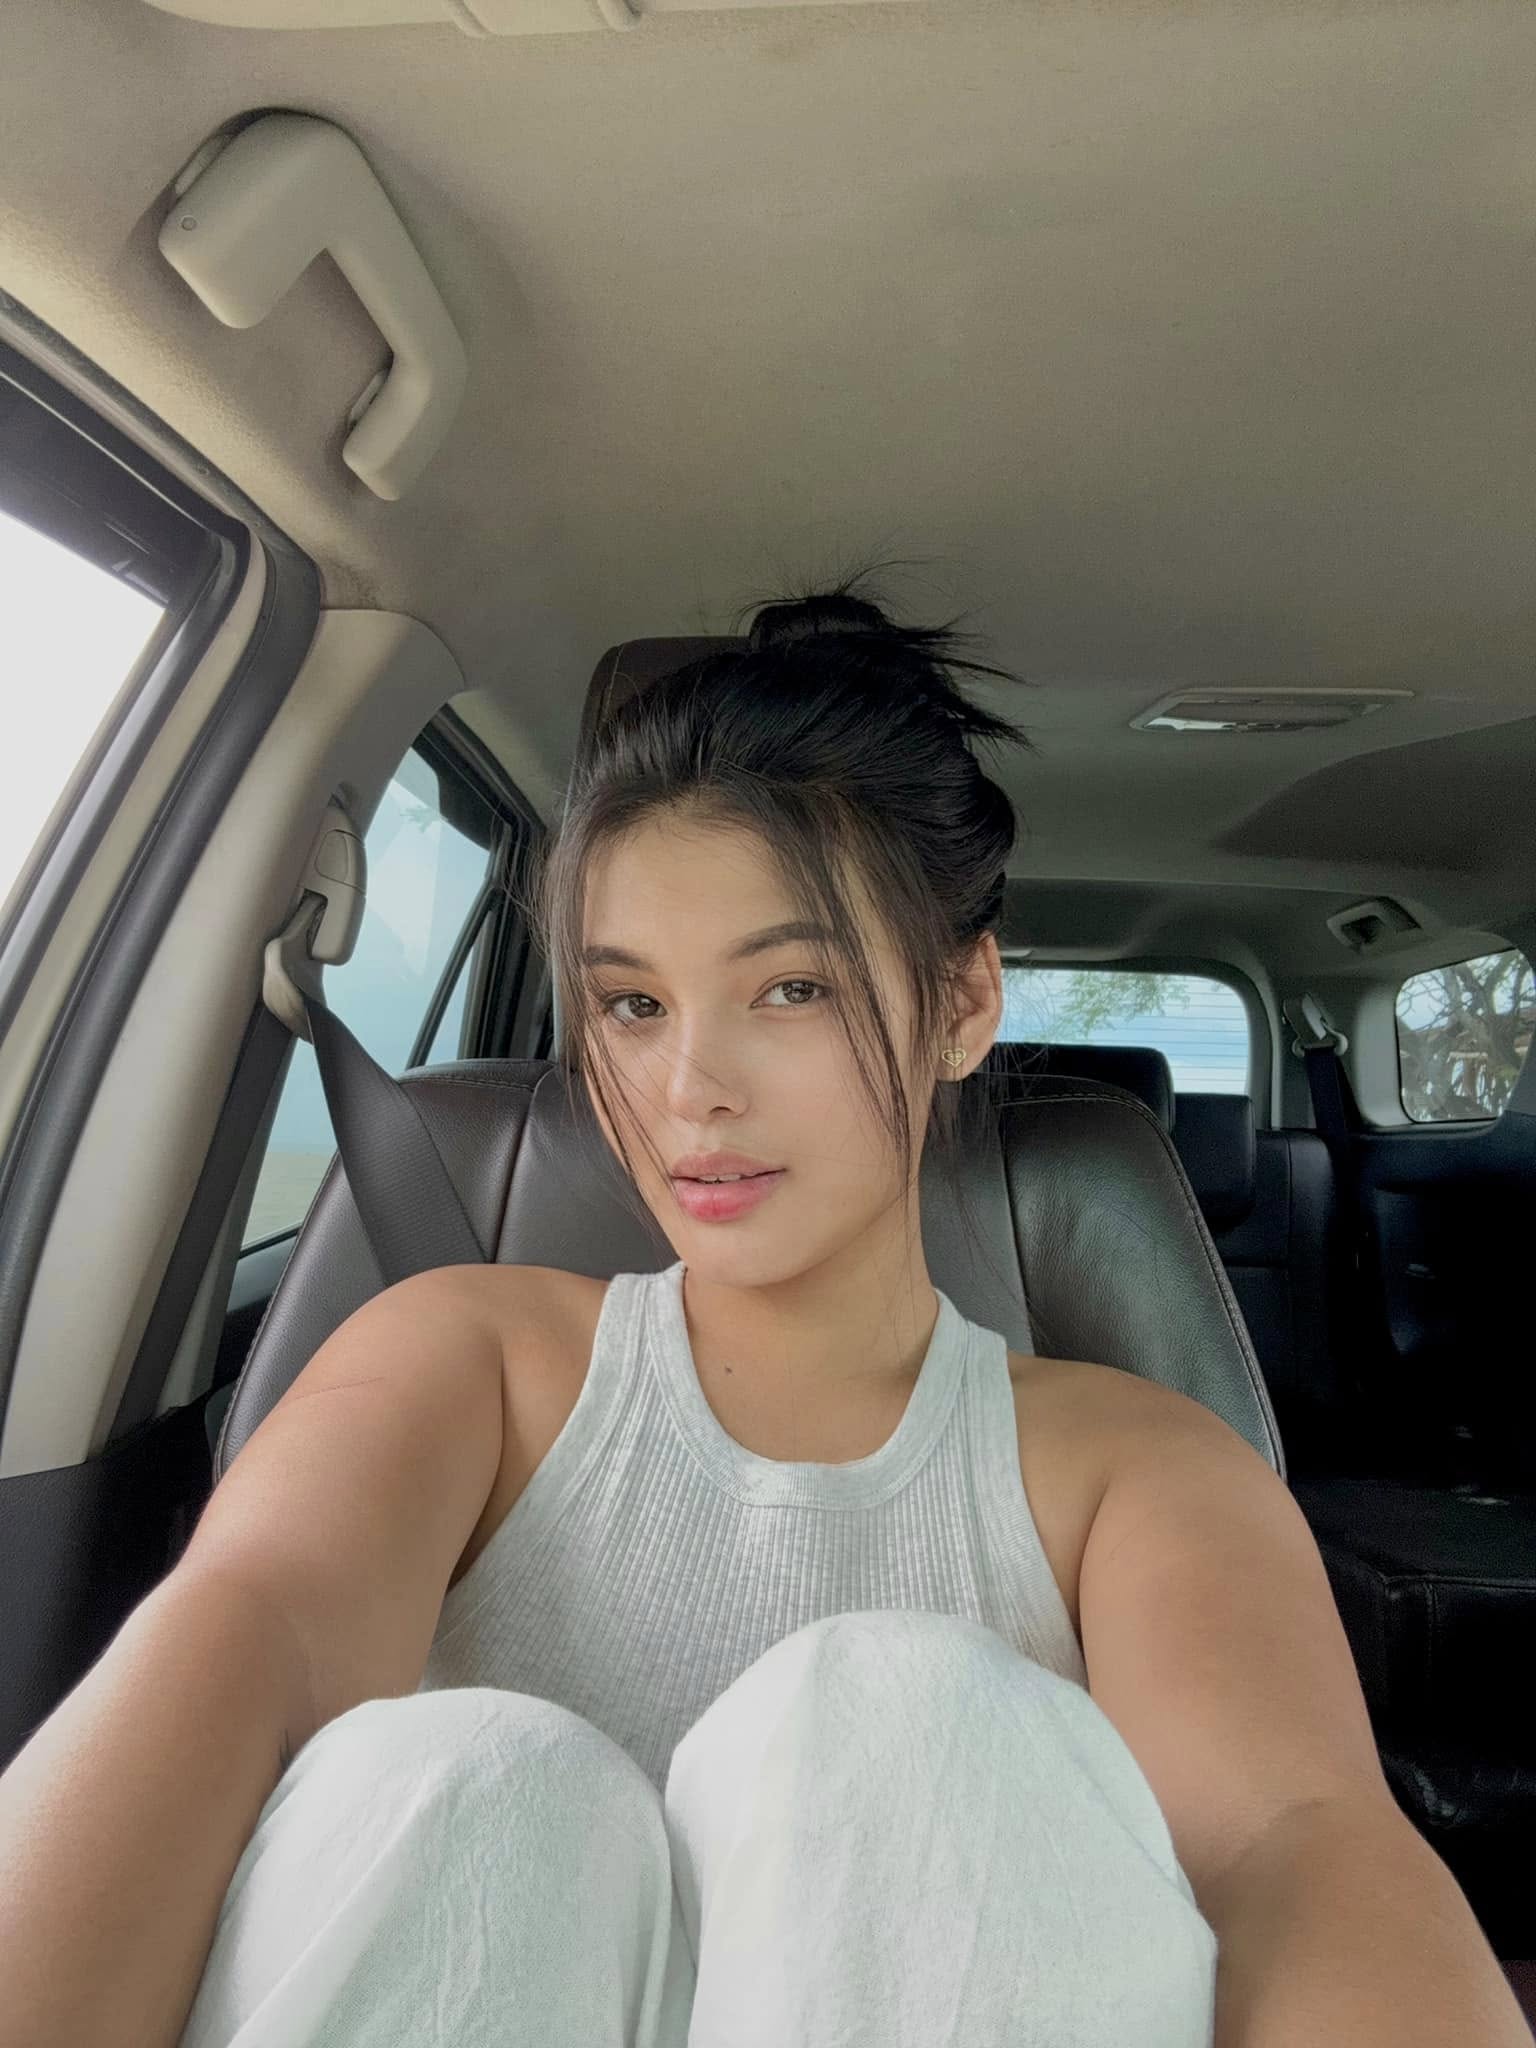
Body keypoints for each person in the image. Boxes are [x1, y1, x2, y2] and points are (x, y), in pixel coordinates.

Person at [5, 575, 1524, 2048]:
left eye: (791, 988)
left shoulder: (1146, 1471)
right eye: (632, 1004)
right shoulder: (458, 1357)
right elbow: (239, 1647)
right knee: (474, 1775)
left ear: (962, 1005)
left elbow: (1293, 1854)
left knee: (907, 1722)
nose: (688, 1091)